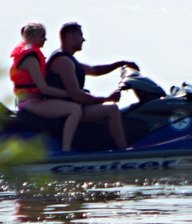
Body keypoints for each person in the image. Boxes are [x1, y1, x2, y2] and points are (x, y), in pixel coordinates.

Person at [45, 22, 138, 150]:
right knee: (112, 109)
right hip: (67, 109)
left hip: (76, 106)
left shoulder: (68, 59)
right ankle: (123, 150)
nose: (83, 39)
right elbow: (76, 95)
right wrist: (106, 99)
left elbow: (95, 70)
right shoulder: (63, 61)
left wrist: (121, 63)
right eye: (80, 35)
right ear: (69, 36)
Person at [10, 23, 82, 152]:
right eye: (42, 36)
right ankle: (66, 151)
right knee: (75, 109)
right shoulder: (30, 59)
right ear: (31, 38)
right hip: (30, 103)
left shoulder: (31, 53)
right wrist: (72, 94)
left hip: (34, 101)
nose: (45, 39)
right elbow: (44, 89)